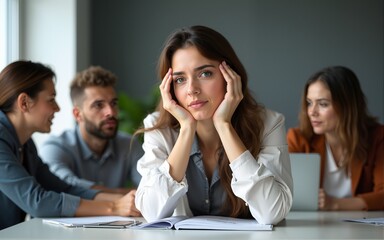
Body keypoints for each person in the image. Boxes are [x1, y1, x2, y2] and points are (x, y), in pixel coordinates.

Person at [134, 25, 293, 225]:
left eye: (205, 74)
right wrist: (186, 130)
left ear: (230, 76)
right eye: (180, 79)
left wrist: (224, 125)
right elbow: (151, 212)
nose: (192, 89)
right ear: (169, 88)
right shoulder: (160, 129)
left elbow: (273, 212)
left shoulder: (269, 124)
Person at [0, 60, 140, 230]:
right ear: (24, 103)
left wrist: (120, 202)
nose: (58, 108)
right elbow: (38, 202)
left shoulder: (26, 144)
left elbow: (64, 188)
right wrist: (114, 207)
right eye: (51, 100)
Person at [287, 66, 384, 211]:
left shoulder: (377, 136)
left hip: (362, 230)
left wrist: (335, 204)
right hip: (312, 228)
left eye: (323, 104)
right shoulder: (298, 139)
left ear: (348, 106)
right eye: (309, 102)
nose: (312, 112)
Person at [39, 66, 143, 195]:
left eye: (113, 103)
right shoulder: (56, 147)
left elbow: (151, 189)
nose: (110, 112)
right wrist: (126, 194)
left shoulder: (129, 144)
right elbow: (62, 185)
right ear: (78, 114)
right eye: (99, 105)